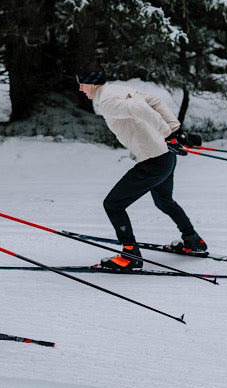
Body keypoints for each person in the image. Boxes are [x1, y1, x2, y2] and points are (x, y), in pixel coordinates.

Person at [77, 62, 206, 270]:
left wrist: (169, 134)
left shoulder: (108, 102)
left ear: (91, 83)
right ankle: (193, 241)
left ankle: (130, 255)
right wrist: (174, 130)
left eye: (82, 83)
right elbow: (154, 102)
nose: (80, 88)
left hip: (153, 160)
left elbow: (140, 108)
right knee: (164, 201)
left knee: (113, 204)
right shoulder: (117, 89)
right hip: (165, 156)